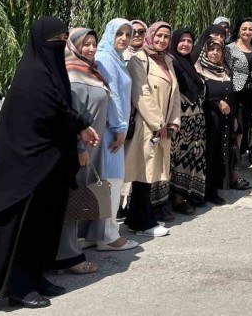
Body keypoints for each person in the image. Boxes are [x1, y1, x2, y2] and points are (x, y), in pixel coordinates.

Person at [0, 17, 100, 309]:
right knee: (22, 228)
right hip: (24, 171)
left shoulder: (53, 72)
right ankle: (17, 287)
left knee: (43, 225)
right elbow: (52, 111)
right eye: (56, 39)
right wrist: (82, 125)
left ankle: (35, 276)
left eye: (64, 37)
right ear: (40, 42)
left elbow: (62, 108)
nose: (61, 43)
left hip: (47, 167)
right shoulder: (32, 76)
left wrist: (79, 127)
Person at [55, 28, 111, 275]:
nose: (90, 48)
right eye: (85, 44)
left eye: (93, 44)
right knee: (72, 198)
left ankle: (74, 245)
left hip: (92, 148)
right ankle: (68, 255)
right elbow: (70, 116)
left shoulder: (91, 70)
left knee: (82, 198)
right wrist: (79, 147)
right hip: (79, 149)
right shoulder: (70, 73)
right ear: (74, 45)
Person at [124, 21, 180, 237]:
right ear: (150, 36)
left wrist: (174, 121)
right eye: (158, 36)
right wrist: (158, 123)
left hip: (164, 127)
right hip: (146, 126)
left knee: (151, 172)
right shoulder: (139, 60)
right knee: (143, 172)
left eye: (166, 36)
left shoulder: (167, 60)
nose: (162, 40)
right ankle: (143, 221)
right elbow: (141, 94)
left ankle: (137, 219)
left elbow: (174, 93)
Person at [91, 19, 138, 252]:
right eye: (119, 33)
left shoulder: (116, 58)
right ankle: (109, 236)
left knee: (108, 180)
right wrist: (120, 128)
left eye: (128, 35)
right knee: (112, 180)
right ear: (109, 33)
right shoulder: (106, 58)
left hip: (113, 129)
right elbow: (113, 96)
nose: (124, 38)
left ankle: (97, 233)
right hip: (111, 131)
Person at [167, 28, 208, 214]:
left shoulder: (189, 64)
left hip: (195, 122)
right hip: (180, 121)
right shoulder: (171, 62)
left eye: (189, 41)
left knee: (191, 158)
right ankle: (174, 198)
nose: (185, 44)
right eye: (182, 40)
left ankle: (186, 194)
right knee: (176, 160)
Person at [194, 31, 238, 204]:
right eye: (211, 50)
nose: (215, 53)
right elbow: (200, 96)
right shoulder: (199, 71)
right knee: (208, 155)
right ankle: (205, 191)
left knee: (220, 154)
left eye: (218, 50)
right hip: (208, 120)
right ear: (205, 51)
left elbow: (232, 97)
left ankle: (215, 188)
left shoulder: (224, 70)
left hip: (224, 121)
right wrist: (217, 102)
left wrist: (233, 118)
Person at [226, 18, 252, 191]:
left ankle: (235, 166)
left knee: (243, 131)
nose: (247, 32)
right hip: (234, 95)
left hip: (249, 96)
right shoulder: (229, 49)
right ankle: (234, 173)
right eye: (244, 29)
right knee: (236, 133)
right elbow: (225, 72)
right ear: (238, 31)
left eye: (251, 29)